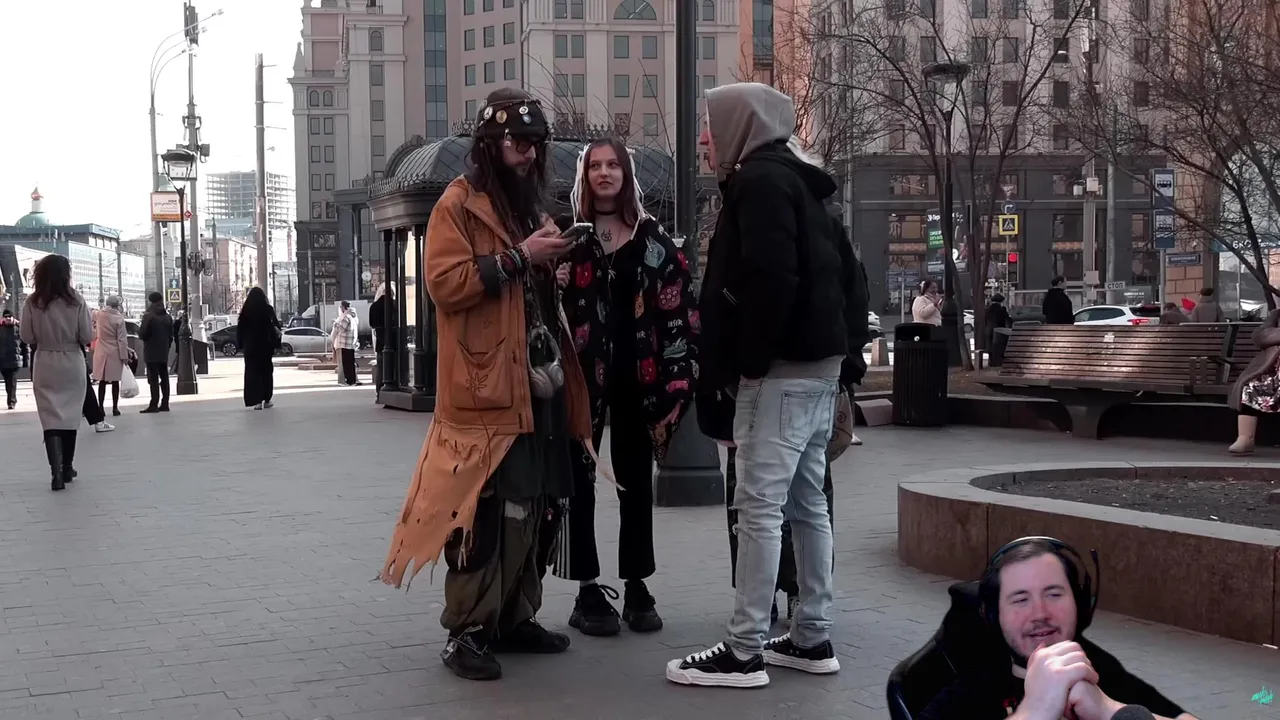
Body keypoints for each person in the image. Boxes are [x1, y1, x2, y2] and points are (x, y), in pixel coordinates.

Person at [379, 88, 594, 682]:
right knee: (485, 513)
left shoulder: (527, 206)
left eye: (535, 144)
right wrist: (521, 257)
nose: (528, 155)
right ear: (490, 145)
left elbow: (526, 285)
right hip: (484, 391)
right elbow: (445, 284)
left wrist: (551, 264)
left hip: (536, 384)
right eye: (517, 143)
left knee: (537, 506)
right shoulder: (457, 205)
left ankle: (515, 616)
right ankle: (468, 630)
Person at [671, 82, 854, 688]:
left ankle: (744, 648)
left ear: (742, 125)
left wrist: (747, 362)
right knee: (807, 503)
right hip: (817, 369)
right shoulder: (801, 180)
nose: (704, 137)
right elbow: (841, 278)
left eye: (711, 123)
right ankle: (811, 635)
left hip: (779, 374)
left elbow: (772, 279)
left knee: (758, 507)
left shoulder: (759, 182)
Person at [550, 137, 699, 637]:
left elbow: (679, 306)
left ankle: (637, 585)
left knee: (635, 484)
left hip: (640, 381)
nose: (605, 173)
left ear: (626, 174)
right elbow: (539, 306)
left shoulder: (652, 237)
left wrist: (679, 378)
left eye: (613, 165)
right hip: (581, 381)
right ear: (585, 176)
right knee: (579, 483)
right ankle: (587, 589)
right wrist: (554, 280)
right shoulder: (569, 238)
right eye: (596, 166)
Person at [919, 537, 1198, 720]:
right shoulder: (968, 691)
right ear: (994, 614)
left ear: (1079, 604)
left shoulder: (1095, 667)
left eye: (1054, 594)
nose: (1040, 613)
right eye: (1021, 600)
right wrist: (1034, 710)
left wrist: (1109, 709)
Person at [20, 255, 94, 491]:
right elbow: (87, 335)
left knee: (50, 417)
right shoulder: (77, 300)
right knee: (70, 416)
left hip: (44, 362)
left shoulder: (33, 301)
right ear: (66, 274)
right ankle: (68, 467)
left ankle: (56, 473)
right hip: (72, 361)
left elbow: (26, 336)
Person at [1227, 308, 1280, 454]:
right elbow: (1259, 337)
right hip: (1272, 371)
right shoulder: (1276, 314)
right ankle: (1245, 438)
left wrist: (1273, 335)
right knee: (1251, 387)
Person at [237, 287, 282, 410]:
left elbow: (240, 330)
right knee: (266, 372)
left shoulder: (246, 311)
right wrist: (276, 344)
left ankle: (256, 401)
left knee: (252, 373)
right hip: (265, 347)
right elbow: (276, 327)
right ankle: (267, 399)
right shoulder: (268, 310)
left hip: (251, 348)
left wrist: (241, 345)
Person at [92, 296, 131, 417]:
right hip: (114, 351)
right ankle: (115, 408)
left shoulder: (99, 314)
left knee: (102, 381)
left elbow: (90, 317)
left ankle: (100, 407)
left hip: (101, 349)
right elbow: (122, 339)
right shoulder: (119, 318)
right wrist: (124, 356)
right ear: (117, 305)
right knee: (115, 381)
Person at [138, 291, 174, 413]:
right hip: (163, 351)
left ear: (151, 302)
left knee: (153, 378)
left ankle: (154, 404)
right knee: (164, 377)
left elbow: (143, 334)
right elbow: (171, 335)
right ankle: (165, 403)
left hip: (151, 351)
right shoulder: (167, 316)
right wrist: (166, 346)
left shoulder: (149, 316)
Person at [330, 300, 361, 387]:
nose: (340, 308)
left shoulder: (346, 317)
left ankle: (349, 381)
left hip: (344, 344)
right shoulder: (353, 317)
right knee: (351, 363)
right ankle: (353, 380)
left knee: (346, 364)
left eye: (341, 307)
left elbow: (341, 329)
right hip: (351, 343)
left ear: (343, 307)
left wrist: (335, 323)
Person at [0, 309, 26, 409]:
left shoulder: (18, 328)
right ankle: (11, 397)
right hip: (2, 360)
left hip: (15, 360)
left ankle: (11, 401)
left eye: (9, 316)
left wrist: (26, 360)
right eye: (5, 317)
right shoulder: (0, 329)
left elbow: (25, 345)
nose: (7, 318)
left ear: (13, 317)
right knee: (8, 382)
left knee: (11, 381)